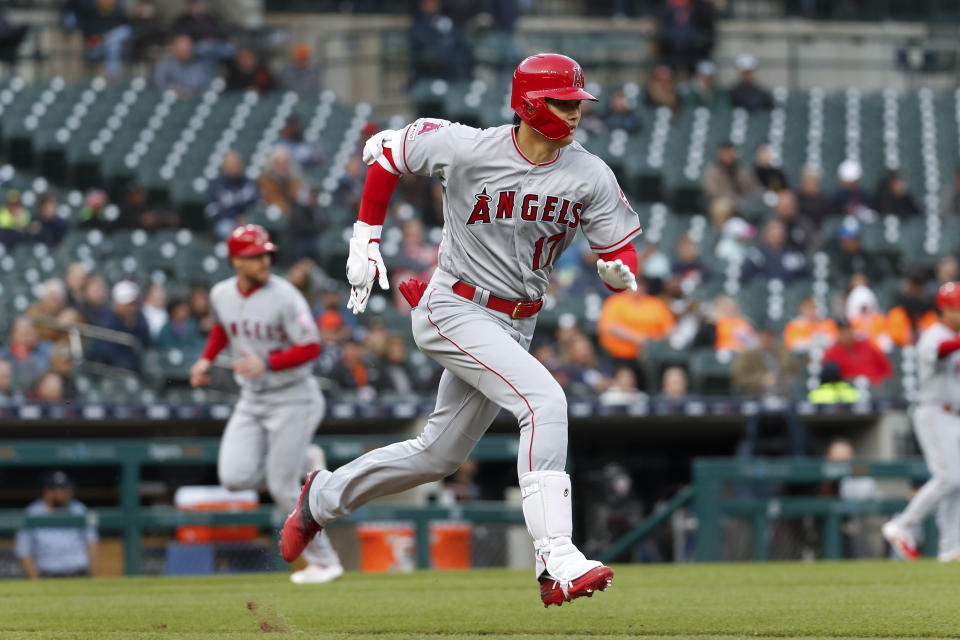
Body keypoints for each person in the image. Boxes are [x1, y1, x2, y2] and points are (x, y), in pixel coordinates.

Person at [281, 54, 636, 606]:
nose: (575, 113)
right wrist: (365, 234)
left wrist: (619, 273)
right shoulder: (468, 146)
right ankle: (556, 557)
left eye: (578, 103)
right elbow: (388, 151)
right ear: (529, 104)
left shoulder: (589, 173)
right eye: (563, 102)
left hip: (516, 322)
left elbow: (619, 249)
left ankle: (322, 498)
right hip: (453, 306)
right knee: (544, 401)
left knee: (438, 456)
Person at [190, 224, 343, 584]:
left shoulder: (286, 295)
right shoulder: (221, 293)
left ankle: (327, 562)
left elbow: (311, 346)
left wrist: (268, 363)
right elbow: (224, 327)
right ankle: (305, 460)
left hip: (293, 396)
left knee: (281, 486)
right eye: (254, 256)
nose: (264, 260)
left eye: (266, 254)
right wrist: (206, 360)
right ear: (235, 261)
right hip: (253, 397)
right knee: (233, 477)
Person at [882, 283, 960, 562]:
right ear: (945, 309)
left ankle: (951, 547)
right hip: (934, 411)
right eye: (957, 309)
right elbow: (940, 351)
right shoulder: (934, 334)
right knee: (948, 477)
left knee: (957, 482)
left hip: (954, 415)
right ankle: (903, 524)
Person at [15, 471, 98, 578]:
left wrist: (93, 577)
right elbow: (24, 551)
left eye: (67, 488)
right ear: (47, 491)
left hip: (79, 573)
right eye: (61, 489)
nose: (67, 492)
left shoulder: (79, 509)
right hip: (47, 575)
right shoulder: (32, 512)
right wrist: (36, 582)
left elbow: (92, 544)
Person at [90, 281, 151, 371]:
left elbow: (147, 344)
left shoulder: (140, 318)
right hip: (113, 370)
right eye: (128, 304)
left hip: (136, 367)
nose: (132, 307)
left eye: (134, 303)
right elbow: (104, 351)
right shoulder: (107, 321)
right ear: (117, 303)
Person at [822, 319, 893, 386]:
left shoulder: (867, 346)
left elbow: (886, 369)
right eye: (842, 331)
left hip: (875, 389)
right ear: (838, 333)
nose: (846, 334)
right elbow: (830, 378)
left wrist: (881, 385)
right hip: (850, 393)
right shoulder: (831, 353)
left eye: (848, 330)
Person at [205, 150, 258, 238]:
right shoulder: (216, 184)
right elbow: (210, 210)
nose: (236, 166)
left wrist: (244, 216)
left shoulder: (248, 182)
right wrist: (234, 217)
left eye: (237, 163)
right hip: (226, 220)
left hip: (247, 219)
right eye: (232, 164)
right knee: (225, 228)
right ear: (225, 166)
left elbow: (256, 203)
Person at [0, 317, 52, 394]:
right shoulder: (3, 355)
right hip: (8, 397)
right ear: (13, 333)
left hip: (39, 396)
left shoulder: (46, 350)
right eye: (24, 328)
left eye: (31, 327)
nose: (29, 331)